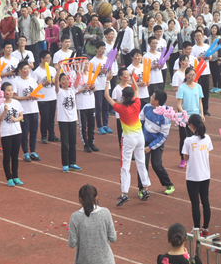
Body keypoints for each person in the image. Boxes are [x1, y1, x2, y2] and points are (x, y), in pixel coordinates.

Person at [104, 71, 151, 205]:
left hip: (128, 138)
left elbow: (106, 95)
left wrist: (107, 80)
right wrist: (133, 78)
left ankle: (124, 192)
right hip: (140, 137)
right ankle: (146, 188)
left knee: (125, 165)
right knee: (141, 163)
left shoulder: (120, 108)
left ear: (123, 96)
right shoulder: (137, 104)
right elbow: (136, 89)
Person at [68, 184, 117, 264]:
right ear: (96, 197)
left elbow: (72, 243)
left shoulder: (75, 217)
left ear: (80, 199)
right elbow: (113, 238)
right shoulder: (105, 213)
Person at [137, 89, 175, 196]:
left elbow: (163, 136)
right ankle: (142, 188)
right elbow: (140, 121)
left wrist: (150, 147)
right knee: (142, 165)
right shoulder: (147, 107)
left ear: (157, 101)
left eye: (152, 96)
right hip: (144, 140)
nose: (150, 97)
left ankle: (169, 184)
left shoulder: (166, 115)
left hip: (157, 142)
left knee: (156, 164)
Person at [182, 114, 212, 235]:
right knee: (205, 201)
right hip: (205, 174)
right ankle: (205, 229)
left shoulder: (188, 141)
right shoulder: (207, 138)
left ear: (192, 125)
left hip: (193, 176)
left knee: (195, 203)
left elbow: (186, 157)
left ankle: (196, 229)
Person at [0, 82, 24, 186]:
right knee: (7, 156)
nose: (10, 92)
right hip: (6, 134)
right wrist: (4, 111)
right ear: (3, 92)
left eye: (11, 90)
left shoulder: (16, 102)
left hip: (17, 132)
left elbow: (21, 116)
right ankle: (9, 178)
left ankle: (15, 176)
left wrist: (16, 119)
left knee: (15, 156)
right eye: (8, 90)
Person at [176, 67, 204, 168]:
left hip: (196, 116)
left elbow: (200, 102)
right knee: (184, 138)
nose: (191, 77)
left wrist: (202, 114)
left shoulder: (198, 87)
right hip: (184, 117)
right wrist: (184, 114)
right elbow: (179, 104)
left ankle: (194, 158)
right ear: (186, 75)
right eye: (190, 75)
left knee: (197, 137)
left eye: (193, 75)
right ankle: (183, 159)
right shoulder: (182, 88)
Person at [13, 61, 41, 162]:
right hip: (24, 111)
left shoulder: (32, 80)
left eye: (28, 69)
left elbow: (37, 93)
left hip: (34, 109)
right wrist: (25, 98)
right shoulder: (16, 81)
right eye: (25, 69)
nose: (27, 71)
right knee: (25, 133)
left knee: (34, 132)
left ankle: (33, 151)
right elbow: (13, 96)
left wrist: (36, 97)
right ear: (20, 71)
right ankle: (25, 152)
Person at [55, 68, 81, 173]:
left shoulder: (72, 90)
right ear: (61, 82)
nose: (65, 81)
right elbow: (56, 80)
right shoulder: (59, 91)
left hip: (73, 119)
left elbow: (78, 80)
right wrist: (58, 70)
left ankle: (72, 162)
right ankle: (65, 164)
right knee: (65, 143)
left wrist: (78, 70)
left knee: (73, 142)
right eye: (63, 79)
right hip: (63, 120)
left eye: (67, 79)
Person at [33, 50, 60, 143]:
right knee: (44, 117)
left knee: (52, 117)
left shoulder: (52, 69)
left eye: (50, 58)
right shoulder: (37, 72)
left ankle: (51, 134)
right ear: (42, 59)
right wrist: (44, 83)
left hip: (52, 96)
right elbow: (34, 86)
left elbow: (56, 80)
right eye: (47, 58)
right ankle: (44, 135)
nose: (49, 60)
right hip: (43, 98)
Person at [91, 41, 113, 135]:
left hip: (106, 85)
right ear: (96, 49)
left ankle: (105, 125)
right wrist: (100, 72)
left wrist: (110, 73)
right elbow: (90, 75)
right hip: (98, 86)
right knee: (98, 107)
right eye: (101, 48)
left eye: (104, 48)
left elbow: (110, 70)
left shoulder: (107, 59)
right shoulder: (93, 61)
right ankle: (99, 126)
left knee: (106, 106)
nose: (103, 50)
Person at [75, 64, 98, 153]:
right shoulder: (78, 75)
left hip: (91, 103)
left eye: (87, 63)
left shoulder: (91, 75)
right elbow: (75, 90)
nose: (86, 66)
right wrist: (84, 87)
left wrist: (92, 87)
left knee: (91, 124)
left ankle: (91, 142)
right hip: (82, 104)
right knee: (83, 125)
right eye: (84, 64)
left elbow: (95, 89)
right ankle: (85, 144)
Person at [191, 30, 211, 116]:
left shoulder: (207, 46)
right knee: (198, 92)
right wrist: (200, 57)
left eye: (200, 36)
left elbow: (210, 58)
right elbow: (192, 59)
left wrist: (207, 57)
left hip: (206, 72)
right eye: (197, 36)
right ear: (194, 38)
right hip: (197, 73)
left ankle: (205, 109)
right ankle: (197, 109)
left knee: (206, 92)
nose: (199, 38)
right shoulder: (193, 48)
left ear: (203, 36)